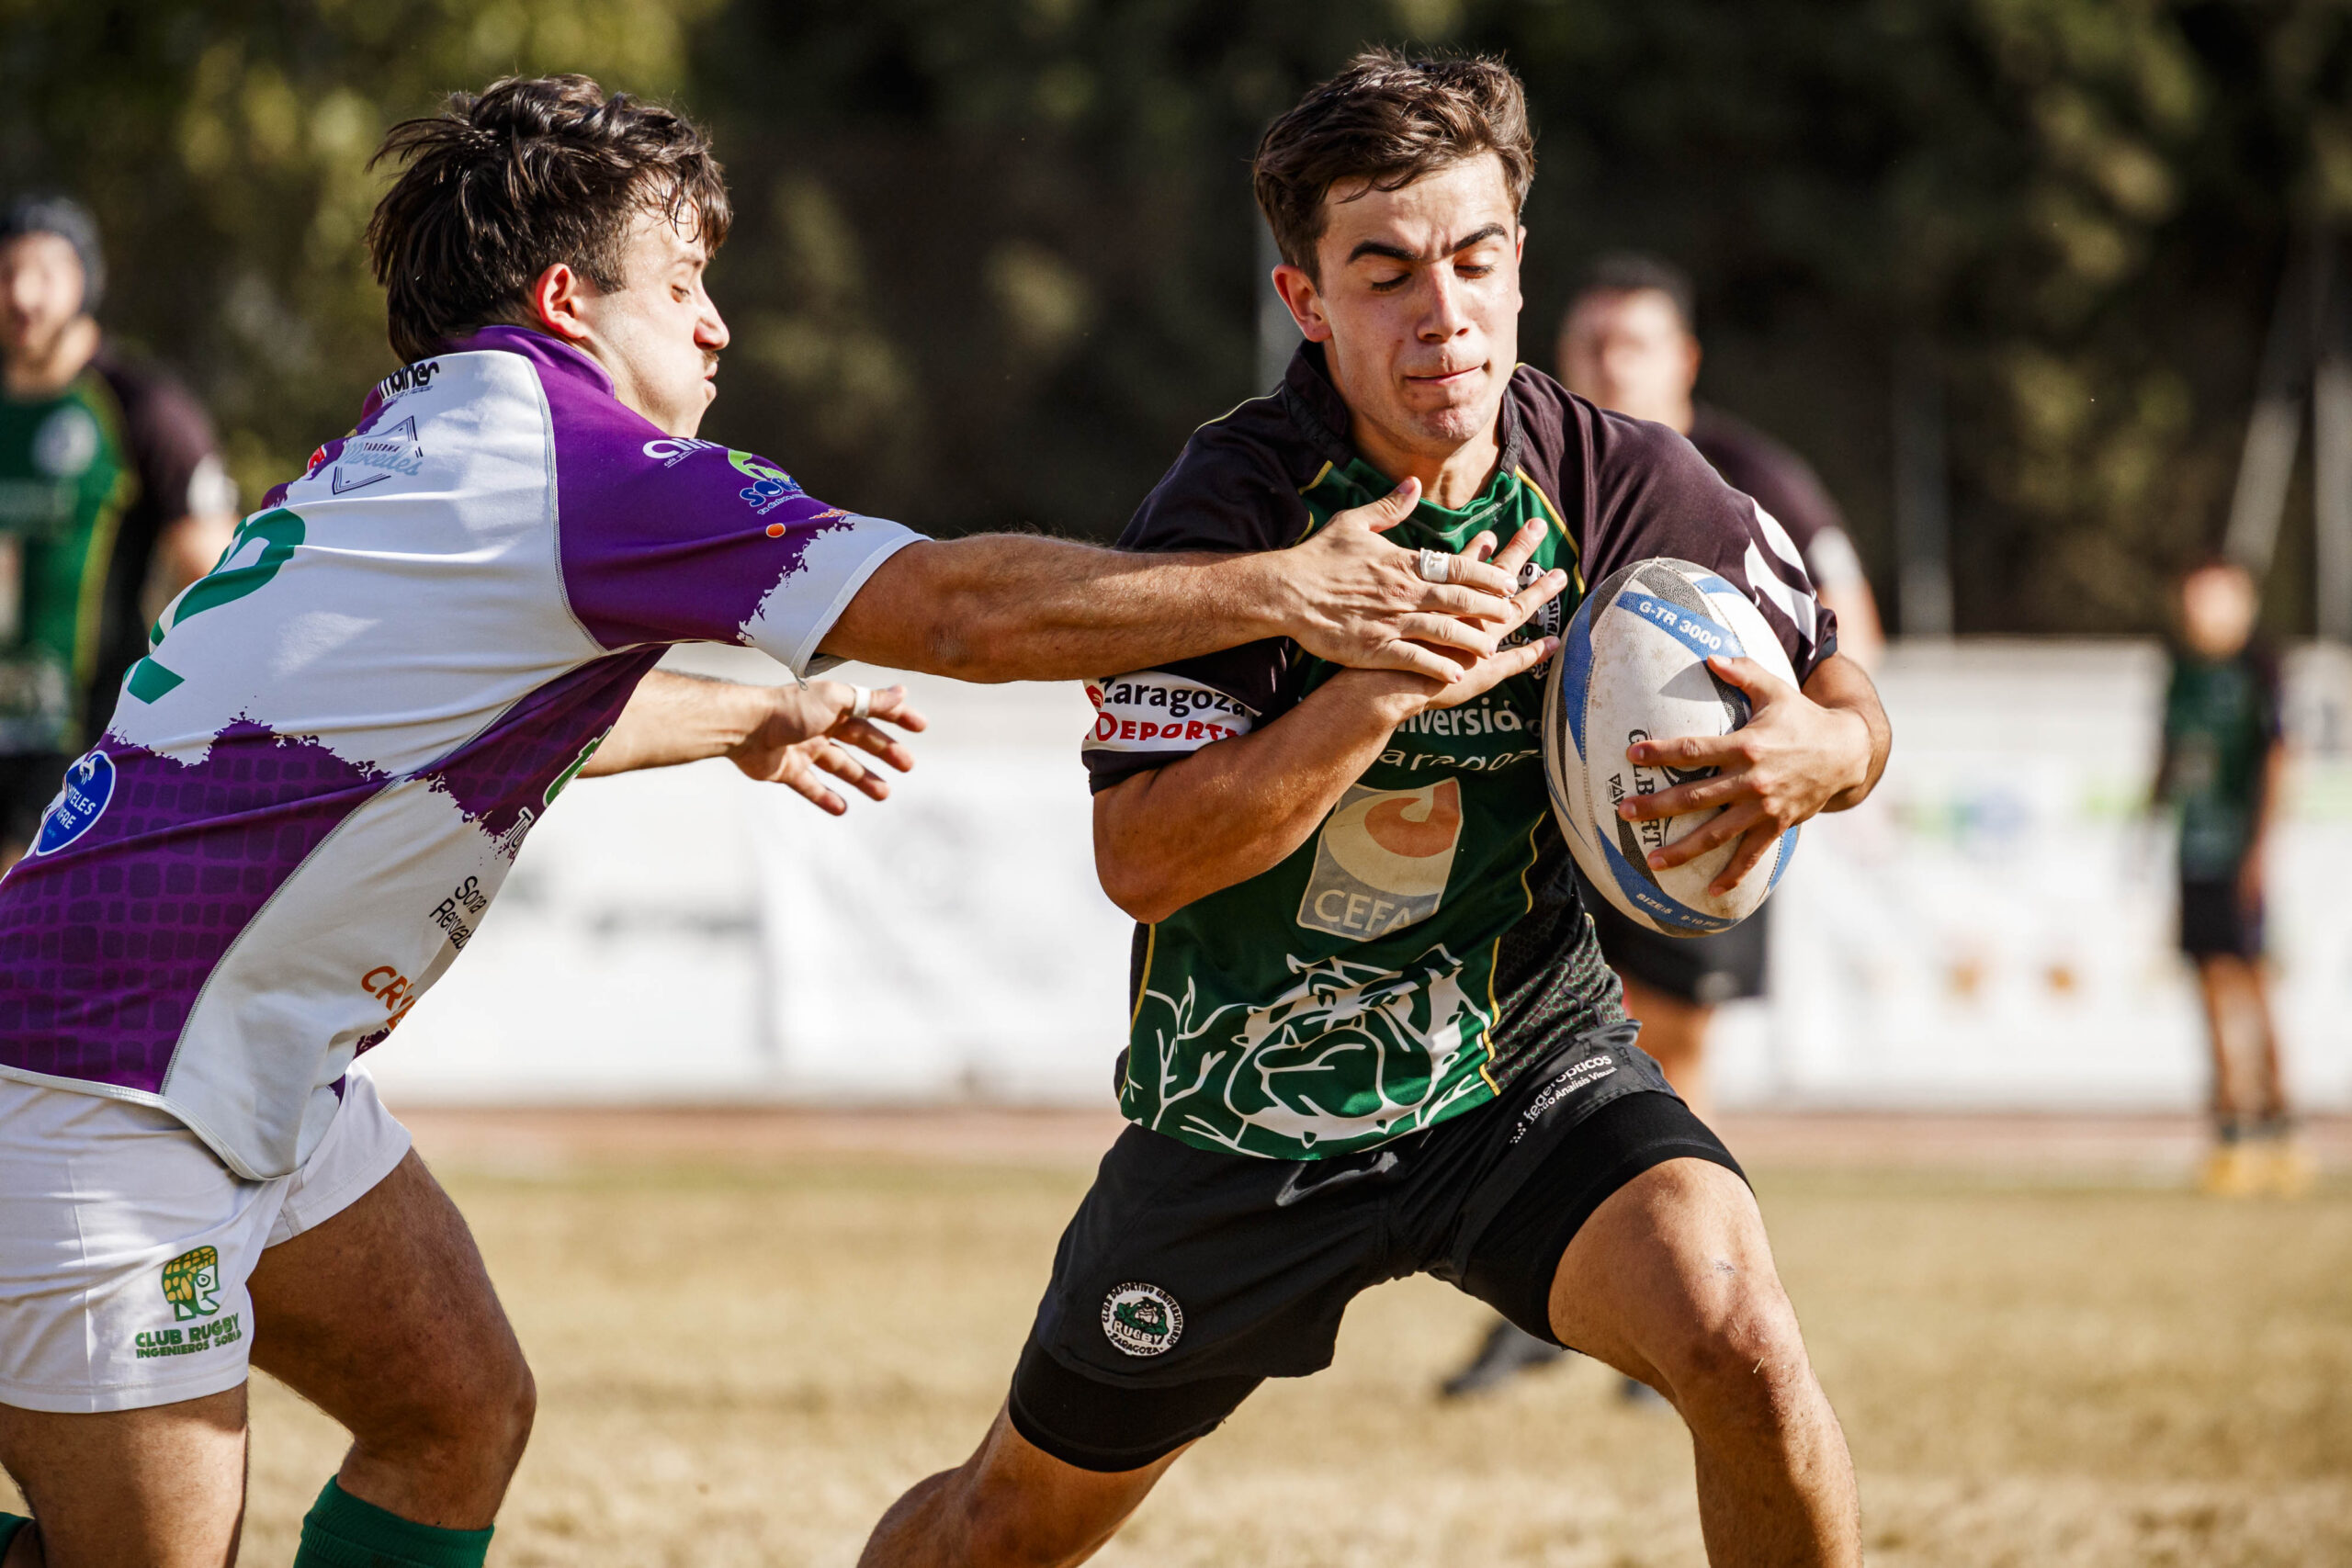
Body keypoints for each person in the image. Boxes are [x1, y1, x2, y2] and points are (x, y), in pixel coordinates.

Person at [0, 76, 1556, 1568]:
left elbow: (419, 739)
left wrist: (739, 710)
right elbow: (944, 605)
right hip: (112, 1093)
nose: (716, 319)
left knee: (454, 1409)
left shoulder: (409, 454)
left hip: (219, 1056)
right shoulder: (569, 461)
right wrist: (1292, 587)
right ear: (564, 304)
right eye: (682, 280)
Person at [857, 51, 1890, 1568]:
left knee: (1739, 1337)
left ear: (1519, 263)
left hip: (1524, 1076)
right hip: (1242, 1120)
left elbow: (1844, 688)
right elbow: (1141, 860)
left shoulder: (1622, 484)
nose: (1443, 310)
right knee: (1004, 1524)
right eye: (1387, 270)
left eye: (1475, 259)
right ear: (1308, 299)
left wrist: (1824, 753)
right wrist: (1371, 693)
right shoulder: (1232, 514)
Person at [1442, 253, 1889, 1397]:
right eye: (1589, 344)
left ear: (1684, 361)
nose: (1607, 364)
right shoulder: (1531, 467)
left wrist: (1820, 754)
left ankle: (1674, 1284)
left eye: (1631, 344)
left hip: (1708, 797)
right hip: (1565, 805)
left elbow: (1845, 630)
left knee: (1674, 1041)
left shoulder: (1747, 478)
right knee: (1549, 1035)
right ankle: (1544, 1297)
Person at [0, 195, 237, 868]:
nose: (22, 294)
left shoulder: (141, 406)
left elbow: (218, 572)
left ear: (86, 280)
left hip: (78, 735)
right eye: (6, 271)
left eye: (44, 272)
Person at [2154, 558, 2307, 1198]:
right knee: (2209, 982)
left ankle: (2273, 1125)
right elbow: (2167, 755)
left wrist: (2259, 849)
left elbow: (2277, 759)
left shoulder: (2258, 668)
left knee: (2249, 981)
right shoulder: (2180, 670)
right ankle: (2232, 1125)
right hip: (2193, 848)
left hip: (2238, 850)